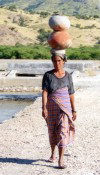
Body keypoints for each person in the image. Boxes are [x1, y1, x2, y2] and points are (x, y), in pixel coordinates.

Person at [42, 53, 77, 169]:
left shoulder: (68, 76)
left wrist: (74, 110)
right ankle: (53, 154)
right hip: (52, 108)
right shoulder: (48, 75)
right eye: (55, 61)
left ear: (64, 61)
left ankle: (61, 159)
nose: (57, 63)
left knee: (63, 131)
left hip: (64, 108)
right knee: (52, 131)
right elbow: (45, 92)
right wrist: (44, 108)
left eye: (59, 61)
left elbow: (71, 93)